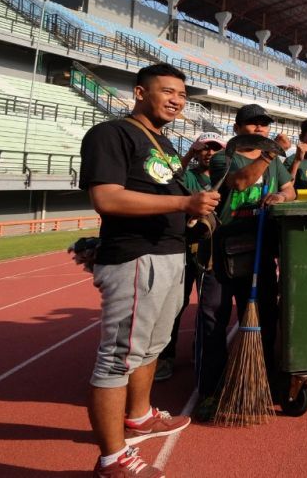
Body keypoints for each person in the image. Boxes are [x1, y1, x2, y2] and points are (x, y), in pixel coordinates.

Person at [80, 63, 220, 477]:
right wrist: (183, 205)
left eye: (182, 93)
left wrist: (194, 218)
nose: (177, 99)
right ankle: (111, 460)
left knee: (151, 348)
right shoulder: (111, 134)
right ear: (140, 92)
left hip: (169, 256)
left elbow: (166, 197)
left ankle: (139, 416)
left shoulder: (164, 143)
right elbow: (106, 198)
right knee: (117, 360)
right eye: (167, 91)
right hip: (137, 259)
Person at [195, 104, 296, 420]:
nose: (260, 129)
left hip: (261, 251)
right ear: (238, 128)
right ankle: (210, 391)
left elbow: (289, 189)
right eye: (253, 124)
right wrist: (270, 153)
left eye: (264, 125)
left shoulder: (276, 163)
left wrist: (280, 197)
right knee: (213, 321)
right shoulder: (227, 155)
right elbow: (238, 183)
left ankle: (258, 381)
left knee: (265, 318)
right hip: (223, 254)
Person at [156, 132, 226, 383]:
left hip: (214, 250)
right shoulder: (187, 174)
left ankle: (201, 349)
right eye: (204, 148)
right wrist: (187, 153)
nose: (209, 152)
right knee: (176, 304)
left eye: (215, 148)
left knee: (209, 306)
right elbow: (168, 178)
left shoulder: (227, 176)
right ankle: (165, 355)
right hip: (186, 248)